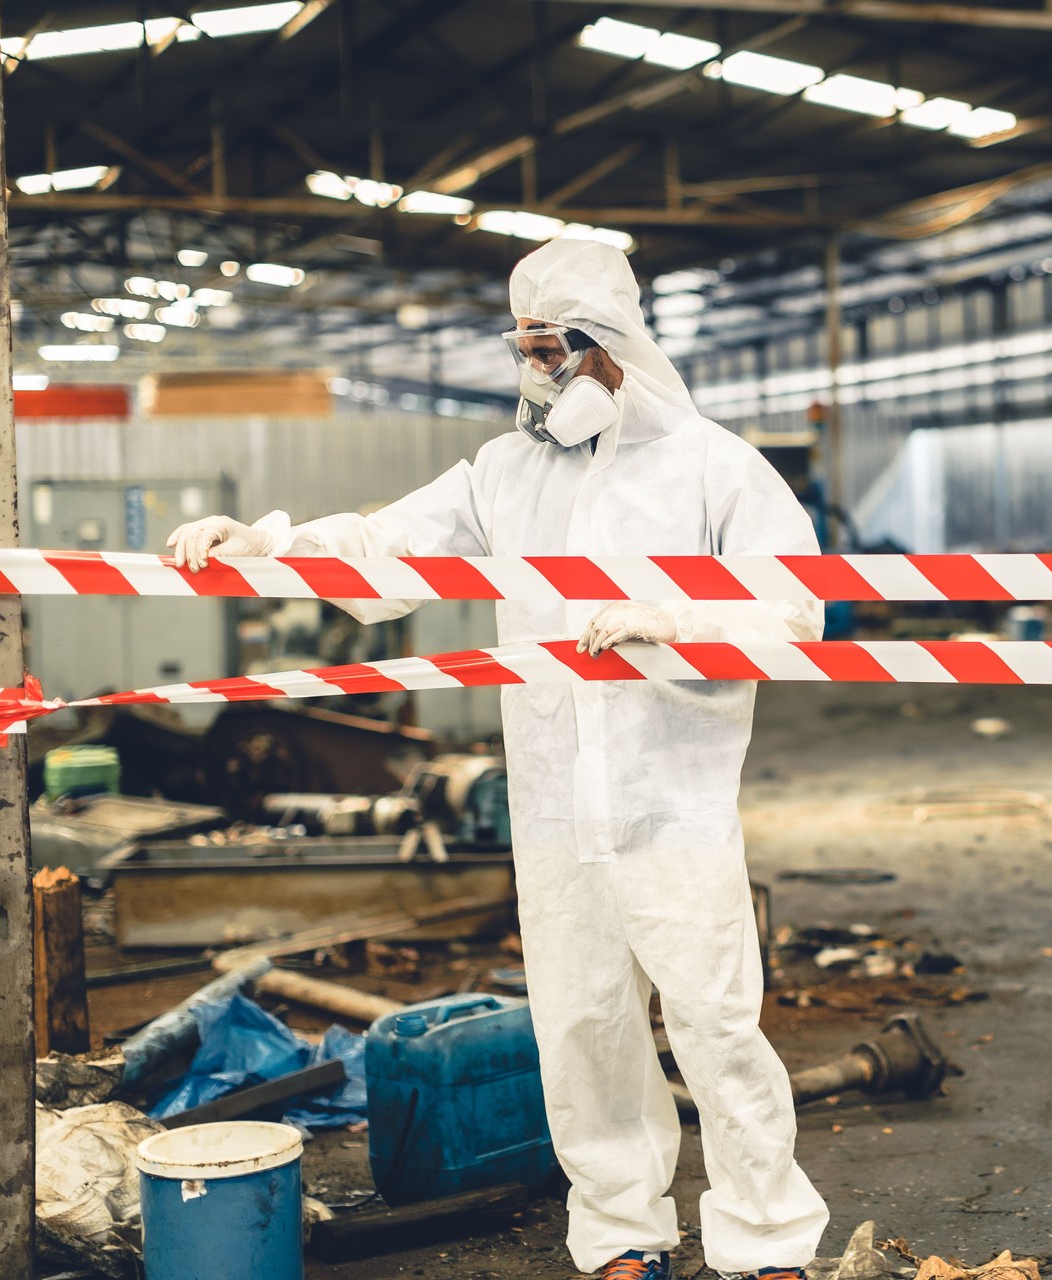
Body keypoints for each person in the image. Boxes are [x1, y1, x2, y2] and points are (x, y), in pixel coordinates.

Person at [167, 239, 829, 1280]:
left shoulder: (715, 467)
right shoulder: (505, 474)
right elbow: (385, 548)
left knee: (716, 1021)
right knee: (582, 1026)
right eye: (524, 347)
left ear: (613, 341)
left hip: (674, 803)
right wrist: (265, 541)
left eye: (556, 346)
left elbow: (794, 606)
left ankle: (767, 1241)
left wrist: (674, 616)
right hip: (556, 806)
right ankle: (621, 1234)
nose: (540, 370)